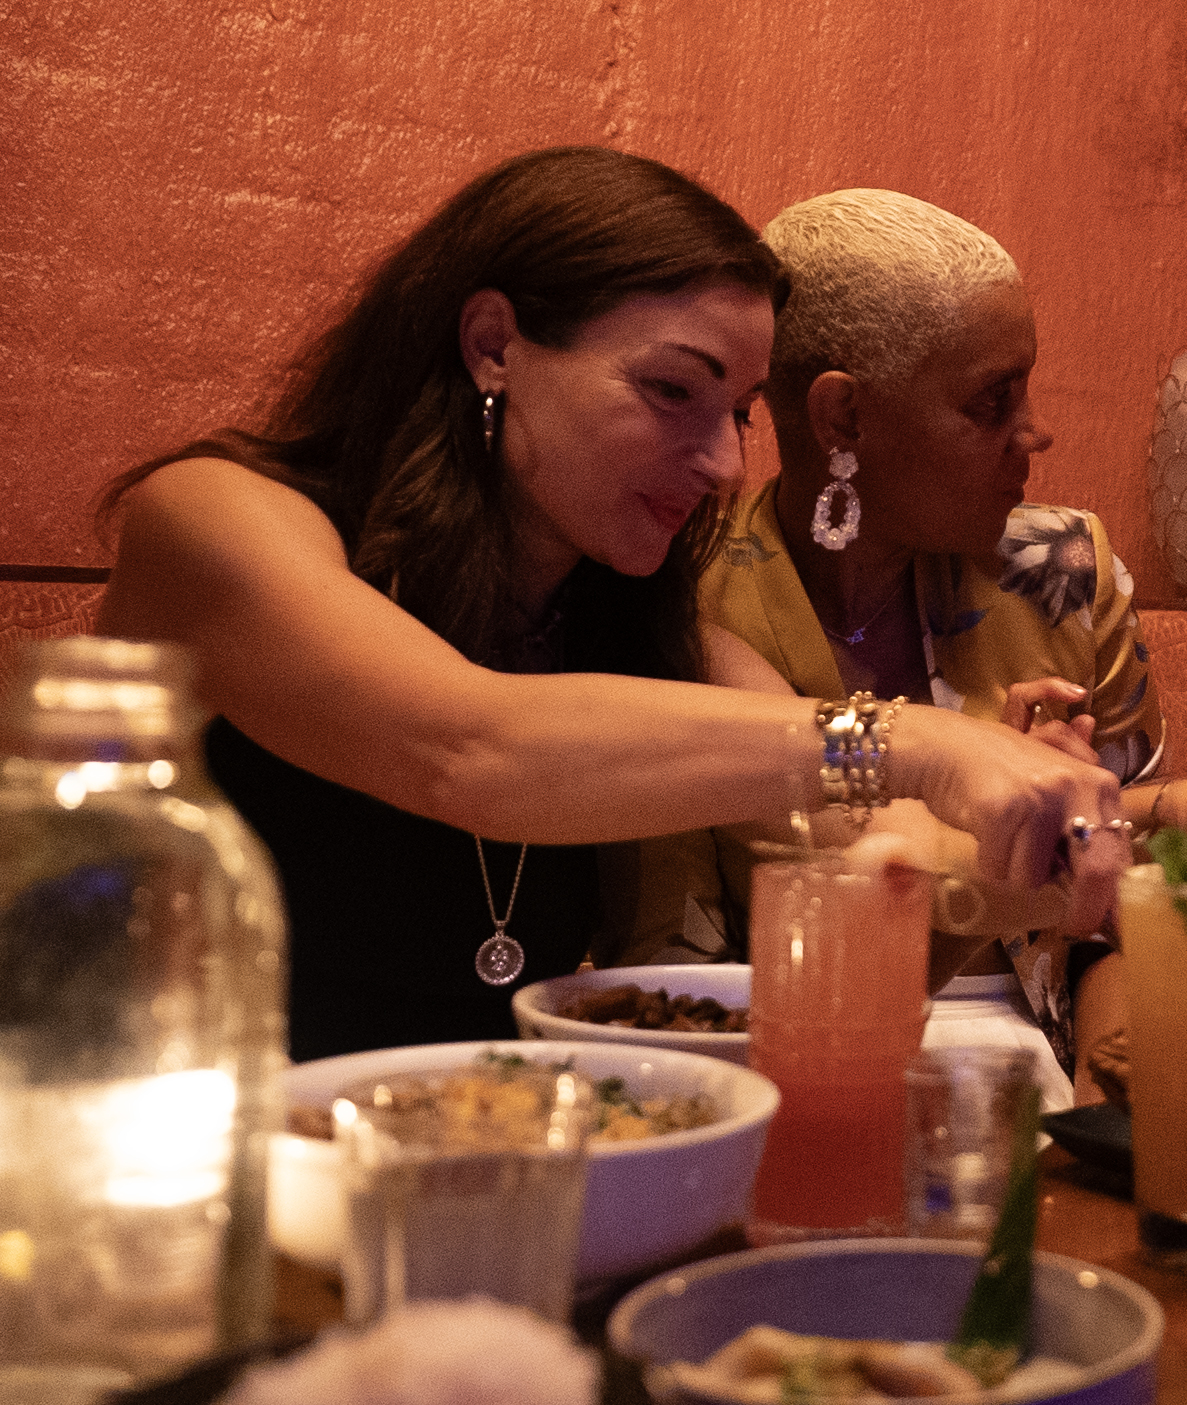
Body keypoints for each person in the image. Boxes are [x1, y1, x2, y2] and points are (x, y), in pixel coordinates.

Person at [97, 147, 1123, 1061]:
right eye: (674, 391)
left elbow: (859, 858)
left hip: (481, 1188)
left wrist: (1054, 837)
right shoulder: (213, 520)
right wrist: (920, 743)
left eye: (737, 414)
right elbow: (470, 746)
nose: (724, 465)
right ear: (494, 344)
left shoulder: (635, 625)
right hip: (166, 1192)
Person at [623, 188, 1187, 1101]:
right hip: (785, 1085)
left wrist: (1110, 1100)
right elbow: (682, 992)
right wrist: (1147, 820)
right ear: (842, 419)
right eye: (992, 402)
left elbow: (1112, 932)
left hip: (1050, 1078)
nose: (1037, 432)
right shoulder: (675, 609)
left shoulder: (1063, 574)